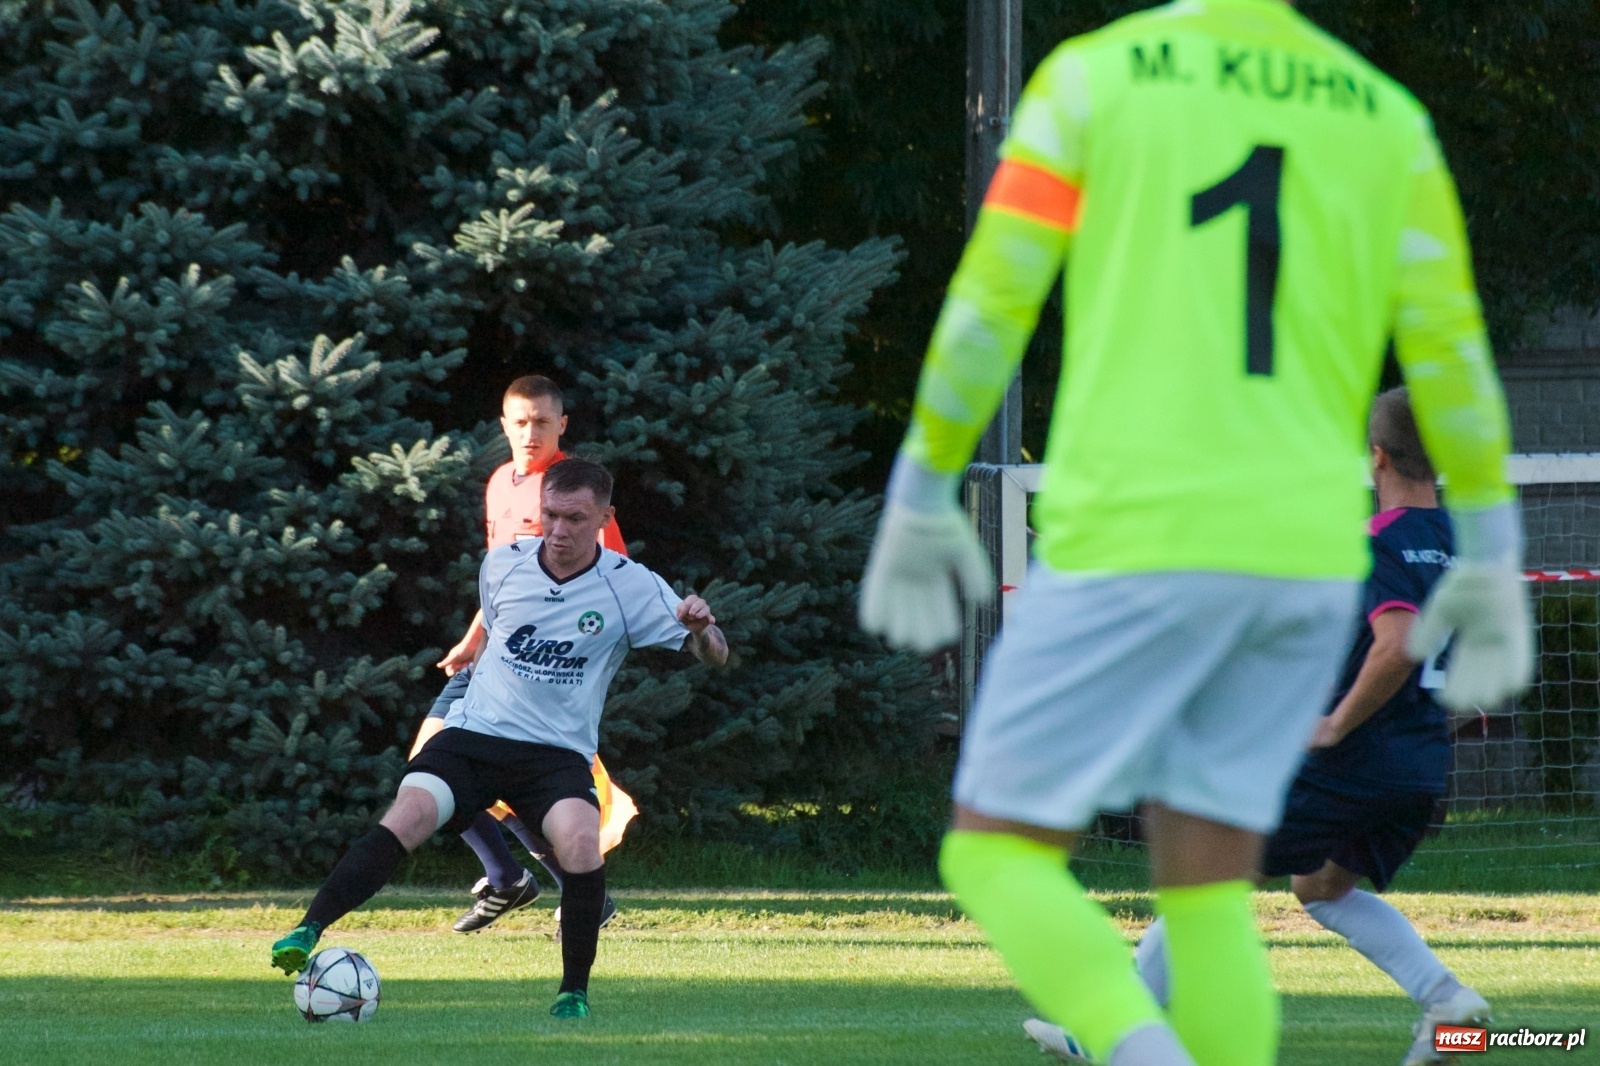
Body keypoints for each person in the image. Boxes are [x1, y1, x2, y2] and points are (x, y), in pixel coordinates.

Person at [858, 3, 1531, 1065]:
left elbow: (992, 301)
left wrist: (919, 484)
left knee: (995, 855)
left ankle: (1127, 1044)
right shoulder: (1382, 113)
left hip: (1137, 525)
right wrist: (1489, 552)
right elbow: (1449, 358)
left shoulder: (1097, 75)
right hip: (1302, 554)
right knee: (1211, 885)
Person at [1024, 388, 1492, 1066]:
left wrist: (1333, 723)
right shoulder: (1460, 543)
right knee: (1321, 887)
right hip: (1419, 766)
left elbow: (1397, 644)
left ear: (1377, 456)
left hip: (1353, 762)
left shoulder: (1380, 541)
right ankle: (1449, 1006)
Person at [272, 458, 729, 1020]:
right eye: (551, 516)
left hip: (555, 757)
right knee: (411, 811)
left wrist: (703, 630)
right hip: (474, 737)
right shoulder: (503, 565)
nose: (559, 531)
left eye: (576, 519)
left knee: (581, 841)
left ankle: (573, 994)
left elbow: (716, 656)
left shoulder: (629, 585)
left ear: (605, 519)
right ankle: (305, 929)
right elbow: (493, 632)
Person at [414, 374, 631, 934]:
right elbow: (506, 582)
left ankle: (566, 889)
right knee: (426, 763)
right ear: (505, 425)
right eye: (520, 422)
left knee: (492, 777)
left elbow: (610, 582)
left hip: (540, 665)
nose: (530, 432)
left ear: (562, 425)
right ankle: (511, 879)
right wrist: (473, 637)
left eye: (542, 421)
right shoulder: (499, 483)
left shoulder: (572, 495)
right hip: (493, 655)